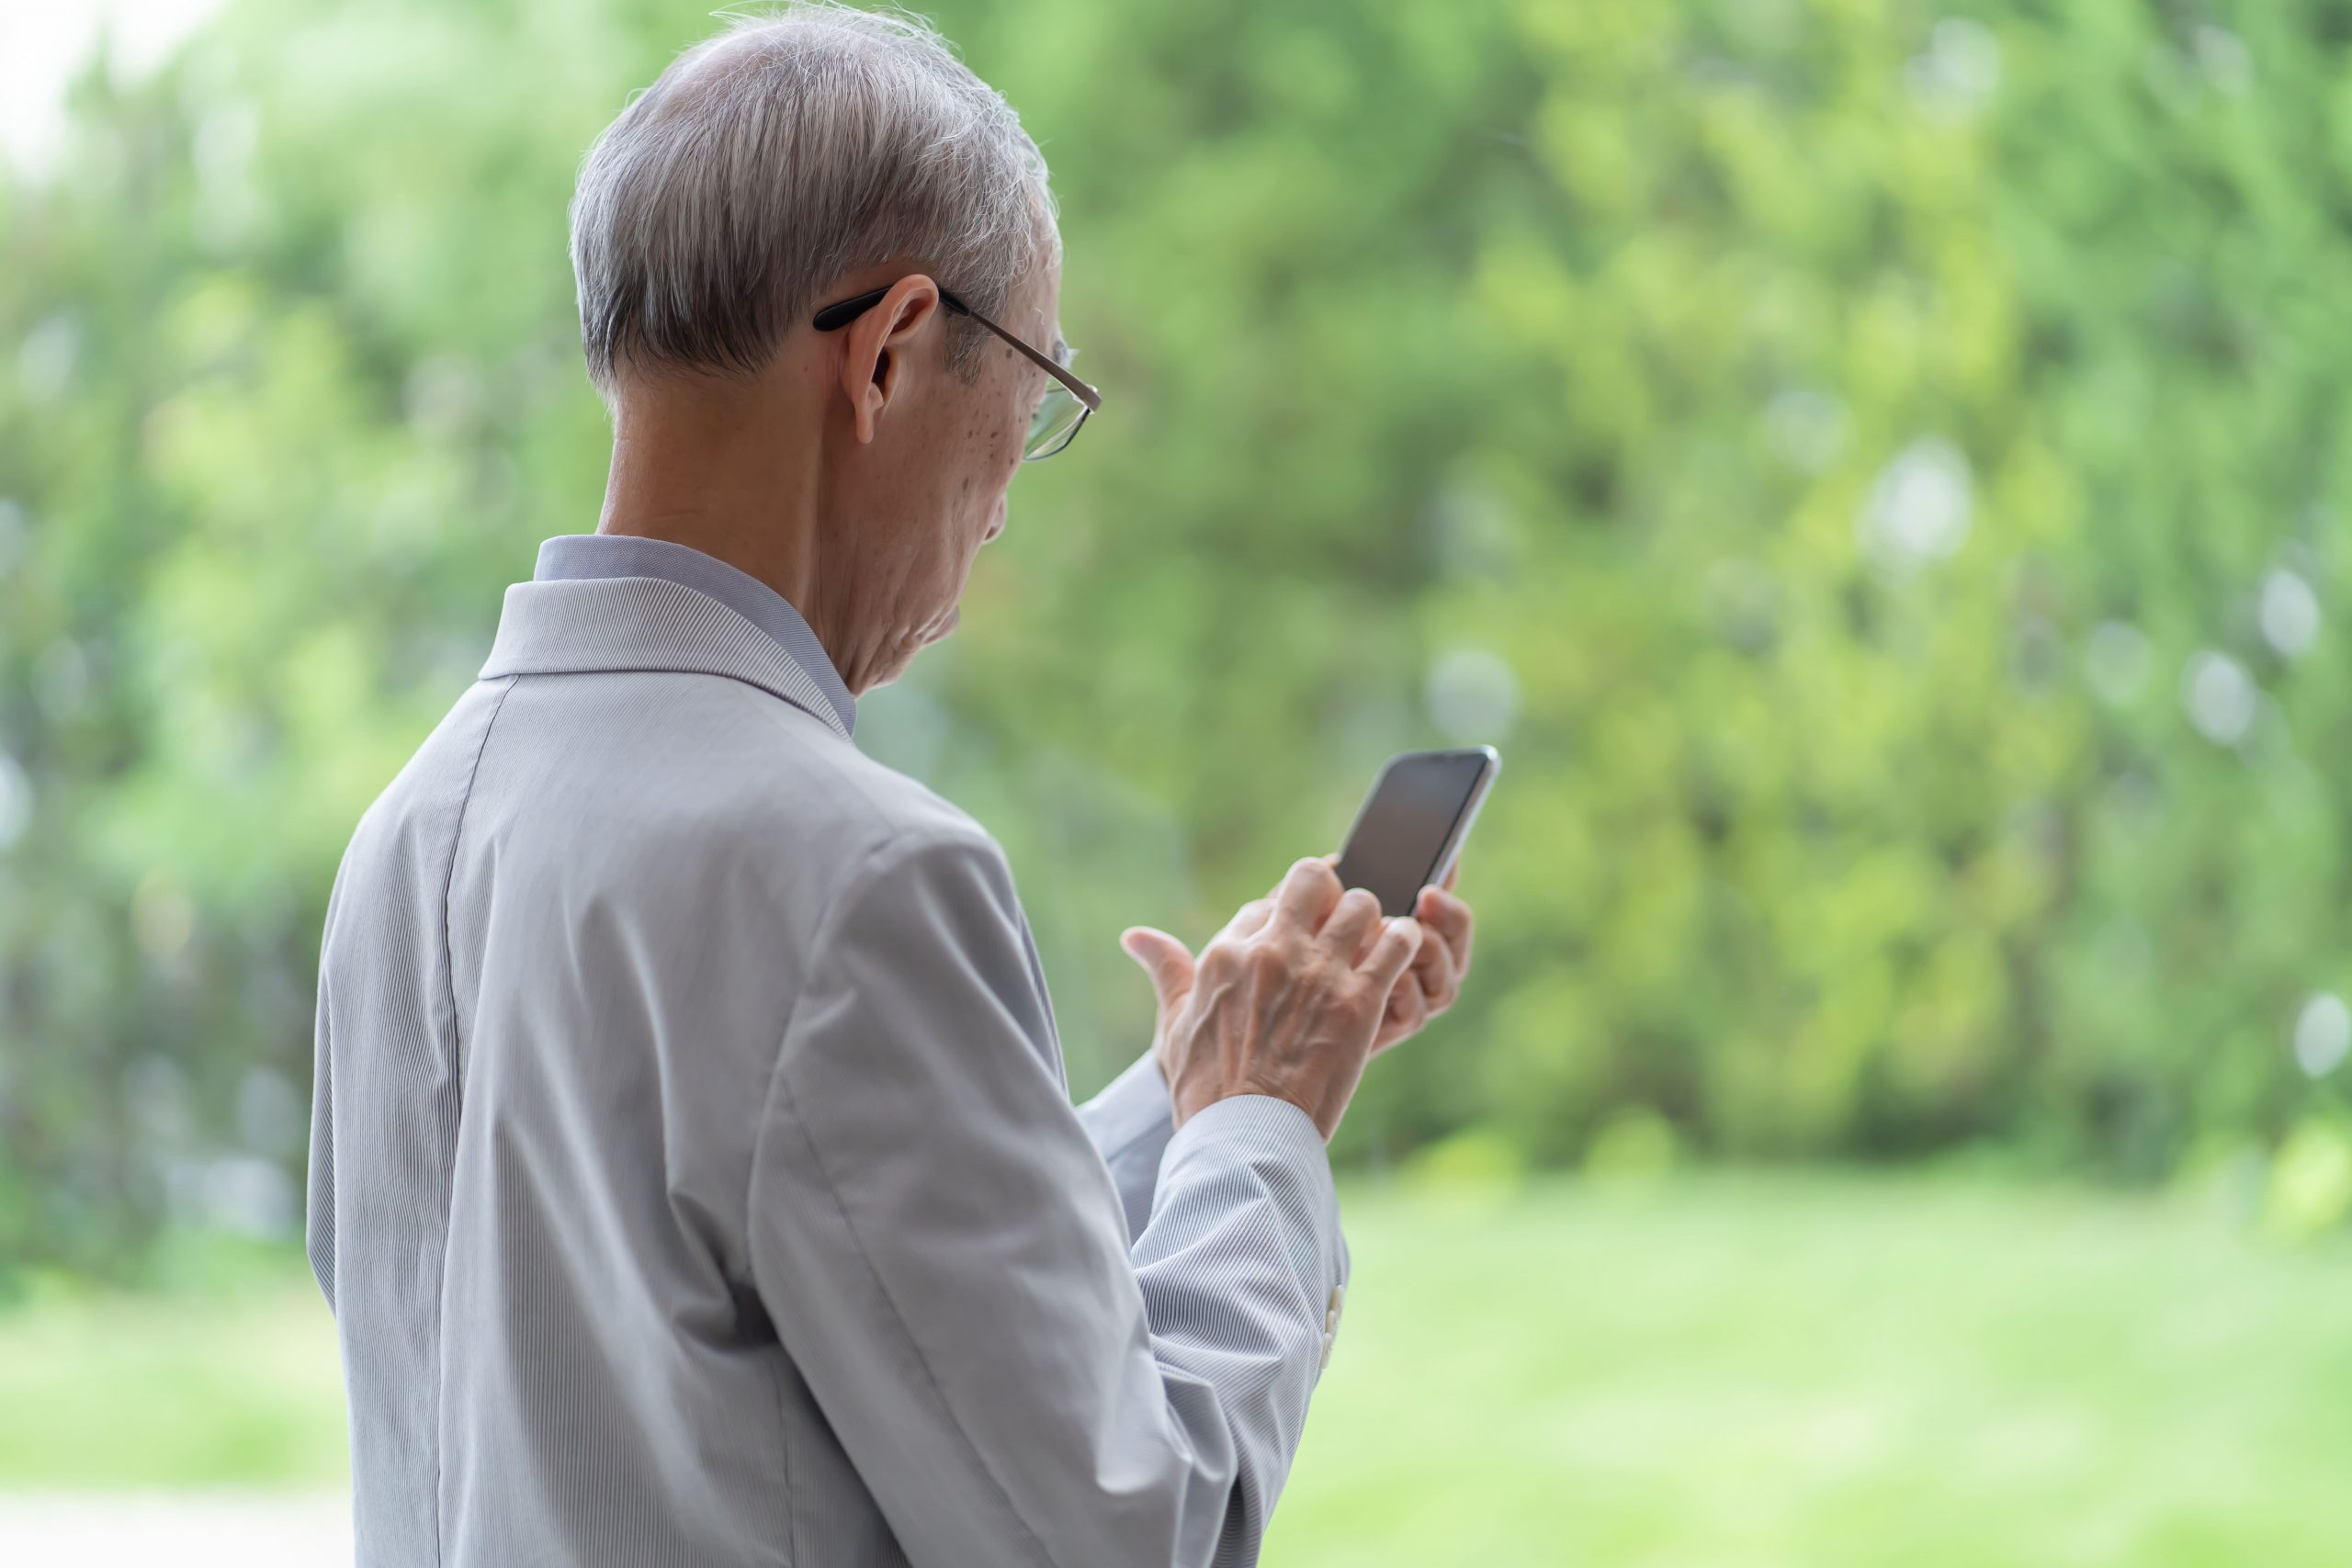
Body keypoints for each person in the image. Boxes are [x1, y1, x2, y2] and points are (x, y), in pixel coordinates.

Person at [304, 6, 1477, 1564]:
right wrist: (1261, 1135)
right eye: (1037, 389)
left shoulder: (412, 834)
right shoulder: (852, 872)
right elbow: (1131, 1531)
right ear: (890, 355)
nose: (1004, 503)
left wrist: (1195, 1088)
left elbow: (790, 1241)